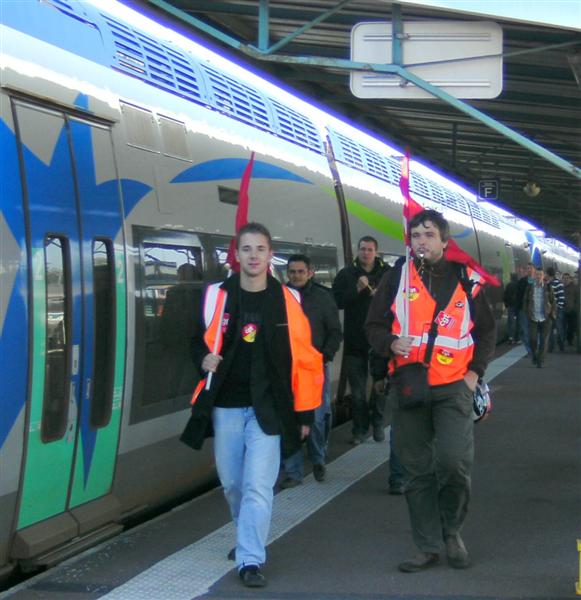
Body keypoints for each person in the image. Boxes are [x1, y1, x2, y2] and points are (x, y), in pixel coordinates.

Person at [180, 223, 323, 588]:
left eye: (260, 249)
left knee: (259, 485)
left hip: (270, 407)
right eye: (247, 249)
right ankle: (246, 533)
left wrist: (305, 413)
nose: (254, 256)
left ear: (270, 254)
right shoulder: (217, 295)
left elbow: (306, 360)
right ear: (237, 254)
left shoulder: (288, 301)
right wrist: (203, 359)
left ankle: (250, 558)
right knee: (232, 483)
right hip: (226, 404)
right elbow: (196, 340)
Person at [365, 209, 496, 573]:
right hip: (409, 387)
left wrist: (475, 374)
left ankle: (452, 531)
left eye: (428, 234)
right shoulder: (396, 279)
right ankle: (426, 545)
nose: (421, 240)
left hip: (454, 387)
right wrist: (390, 343)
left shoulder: (466, 280)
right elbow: (372, 326)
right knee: (416, 469)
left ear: (443, 240)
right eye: (415, 234)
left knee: (454, 463)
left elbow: (486, 331)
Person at [280, 255, 342, 488]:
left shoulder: (323, 298)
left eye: (300, 271)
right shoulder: (280, 297)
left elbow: (335, 331)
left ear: (310, 272)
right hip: (287, 369)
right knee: (289, 419)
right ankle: (293, 472)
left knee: (316, 417)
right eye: (292, 271)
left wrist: (324, 355)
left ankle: (318, 458)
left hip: (314, 369)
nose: (296, 276)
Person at [332, 236, 390, 444]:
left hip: (380, 341)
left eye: (370, 249)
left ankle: (378, 423)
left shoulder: (387, 273)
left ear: (376, 251)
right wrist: (356, 289)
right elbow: (336, 301)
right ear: (358, 250)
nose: (366, 253)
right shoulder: (347, 274)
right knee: (357, 392)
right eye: (363, 249)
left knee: (380, 387)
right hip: (355, 341)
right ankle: (359, 429)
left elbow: (398, 301)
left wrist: (381, 297)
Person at [369, 351, 405, 495]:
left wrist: (378, 376)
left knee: (399, 431)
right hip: (436, 383)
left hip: (402, 380)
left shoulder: (398, 327)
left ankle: (398, 479)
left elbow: (382, 345)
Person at [523, 266, 555, 368]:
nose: (538, 276)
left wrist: (552, 315)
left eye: (540, 274)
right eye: (536, 274)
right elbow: (525, 300)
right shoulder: (529, 288)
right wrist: (526, 311)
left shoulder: (548, 288)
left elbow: (553, 302)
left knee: (543, 340)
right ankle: (534, 355)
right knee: (532, 339)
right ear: (534, 275)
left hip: (545, 318)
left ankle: (540, 360)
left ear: (543, 276)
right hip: (532, 316)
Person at [516, 263, 535, 356]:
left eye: (530, 268)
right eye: (527, 268)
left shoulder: (538, 281)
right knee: (525, 331)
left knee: (534, 331)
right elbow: (518, 296)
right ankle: (529, 350)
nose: (529, 270)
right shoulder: (522, 282)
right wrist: (518, 309)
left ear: (534, 270)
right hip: (523, 310)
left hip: (535, 310)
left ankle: (535, 348)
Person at [546, 267, 565, 352]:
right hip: (550, 309)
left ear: (548, 274)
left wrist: (559, 307)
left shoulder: (558, 283)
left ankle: (561, 343)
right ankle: (551, 346)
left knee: (558, 327)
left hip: (557, 309)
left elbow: (561, 297)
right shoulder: (547, 284)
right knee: (551, 328)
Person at [503, 273, 519, 344]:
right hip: (517, 306)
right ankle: (517, 338)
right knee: (517, 322)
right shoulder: (518, 285)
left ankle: (510, 337)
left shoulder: (508, 285)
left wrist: (506, 305)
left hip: (510, 306)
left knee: (510, 322)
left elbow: (505, 295)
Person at [562, 272, 578, 346]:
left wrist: (575, 307)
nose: (565, 280)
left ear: (570, 279)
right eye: (564, 278)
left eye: (567, 278)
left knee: (571, 327)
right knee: (562, 327)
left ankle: (569, 339)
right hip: (563, 310)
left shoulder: (574, 288)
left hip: (572, 311)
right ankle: (563, 340)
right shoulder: (561, 287)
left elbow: (577, 299)